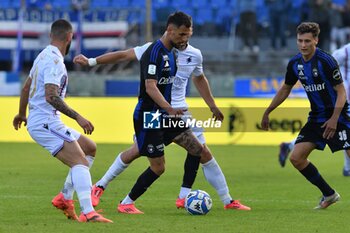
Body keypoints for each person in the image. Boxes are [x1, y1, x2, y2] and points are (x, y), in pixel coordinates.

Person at [74, 39, 250, 212]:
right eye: (180, 34)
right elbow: (123, 55)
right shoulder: (153, 49)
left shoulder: (194, 54)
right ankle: (100, 186)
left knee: (202, 152)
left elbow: (200, 78)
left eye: (186, 34)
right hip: (156, 112)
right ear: (172, 32)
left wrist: (212, 105)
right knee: (137, 151)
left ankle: (221, 200)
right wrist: (91, 61)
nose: (183, 38)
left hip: (181, 113)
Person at [12, 19, 112, 223]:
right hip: (45, 121)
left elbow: (25, 88)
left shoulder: (43, 56)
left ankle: (65, 197)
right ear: (69, 37)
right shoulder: (55, 62)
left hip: (44, 119)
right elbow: (51, 96)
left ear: (51, 35)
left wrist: (22, 114)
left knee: (89, 148)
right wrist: (78, 117)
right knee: (80, 162)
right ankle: (88, 211)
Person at [261, 22, 347, 209]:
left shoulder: (326, 61)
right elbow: (285, 88)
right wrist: (268, 111)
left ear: (316, 40)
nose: (303, 45)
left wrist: (334, 118)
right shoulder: (295, 63)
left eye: (307, 41)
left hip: (339, 117)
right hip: (316, 117)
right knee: (296, 158)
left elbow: (341, 91)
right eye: (300, 41)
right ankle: (329, 194)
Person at [278, 42, 350, 176]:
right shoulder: (344, 52)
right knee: (344, 135)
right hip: (341, 99)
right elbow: (329, 65)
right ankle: (347, 168)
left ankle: (288, 145)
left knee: (345, 137)